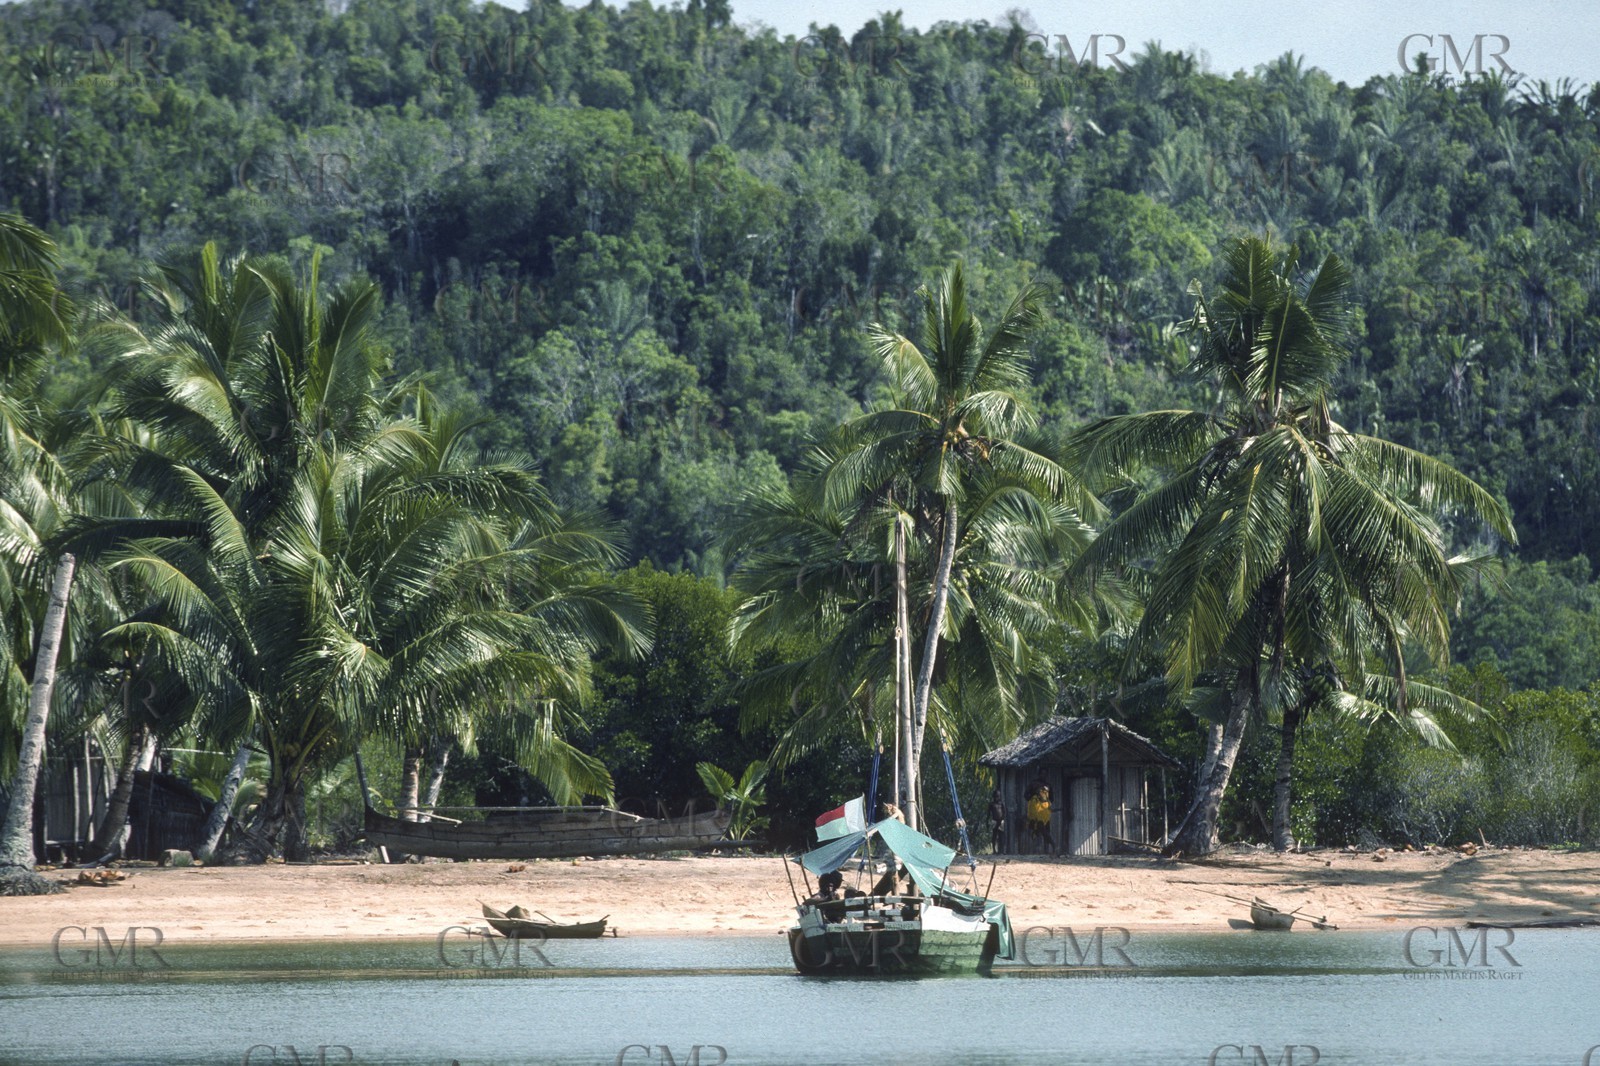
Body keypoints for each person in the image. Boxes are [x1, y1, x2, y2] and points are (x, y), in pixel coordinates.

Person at [1025, 781, 1054, 853]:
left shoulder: (1047, 788)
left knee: (1044, 830)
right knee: (1039, 829)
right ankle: (1049, 847)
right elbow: (1026, 796)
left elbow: (1051, 798)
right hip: (1037, 811)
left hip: (1043, 812)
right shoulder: (1034, 797)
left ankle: (1052, 846)